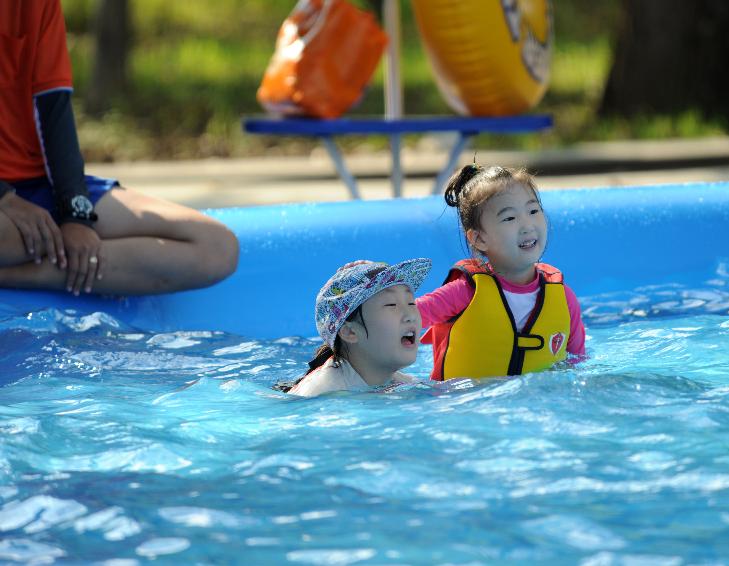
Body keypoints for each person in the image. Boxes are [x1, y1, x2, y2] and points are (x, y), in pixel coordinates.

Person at [0, 0, 238, 296]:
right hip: (5, 207)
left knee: (216, 247)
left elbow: (54, 109)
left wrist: (76, 214)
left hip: (40, 186)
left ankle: (20, 275)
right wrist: (6, 199)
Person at [417, 164, 586, 381]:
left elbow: (577, 364)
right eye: (509, 218)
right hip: (463, 406)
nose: (527, 225)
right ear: (479, 238)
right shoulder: (465, 292)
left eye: (533, 211)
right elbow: (404, 319)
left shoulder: (563, 299)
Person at [279, 258, 432, 397]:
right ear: (350, 331)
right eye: (391, 304)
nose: (410, 315)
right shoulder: (320, 394)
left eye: (411, 303)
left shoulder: (404, 383)